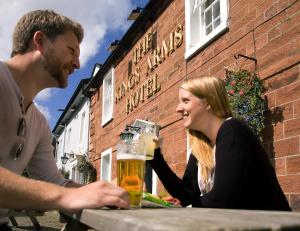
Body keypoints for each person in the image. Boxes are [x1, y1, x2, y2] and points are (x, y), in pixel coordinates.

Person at [0, 10, 129, 229]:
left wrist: (102, 192)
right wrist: (63, 197)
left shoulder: (39, 123)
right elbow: (58, 191)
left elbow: (54, 182)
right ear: (40, 41)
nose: (78, 64)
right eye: (71, 50)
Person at [150, 76, 291, 211]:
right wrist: (154, 157)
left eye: (185, 101)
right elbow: (186, 195)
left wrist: (183, 209)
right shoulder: (201, 146)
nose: (178, 109)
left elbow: (222, 199)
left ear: (208, 102)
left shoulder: (233, 130)